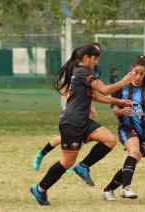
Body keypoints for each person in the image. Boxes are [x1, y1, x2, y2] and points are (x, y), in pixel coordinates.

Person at [30, 44, 134, 206]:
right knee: (67, 161)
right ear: (86, 58)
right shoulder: (82, 72)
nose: (95, 62)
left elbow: (97, 97)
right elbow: (105, 90)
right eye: (94, 59)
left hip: (83, 121)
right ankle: (40, 188)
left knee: (109, 140)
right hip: (71, 122)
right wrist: (124, 81)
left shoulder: (85, 72)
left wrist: (118, 101)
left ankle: (83, 166)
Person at [32, 42, 102, 173]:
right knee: (66, 137)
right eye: (95, 55)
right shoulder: (77, 67)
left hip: (81, 106)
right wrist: (66, 103)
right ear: (88, 55)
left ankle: (67, 161)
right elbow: (68, 87)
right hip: (71, 105)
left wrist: (91, 105)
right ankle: (42, 153)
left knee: (77, 136)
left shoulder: (93, 68)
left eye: (98, 56)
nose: (96, 58)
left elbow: (89, 91)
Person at [102, 55, 145, 201]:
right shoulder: (122, 87)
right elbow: (114, 109)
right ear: (131, 70)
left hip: (144, 132)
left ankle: (108, 190)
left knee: (131, 161)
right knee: (134, 151)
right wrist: (121, 111)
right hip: (126, 128)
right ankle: (126, 189)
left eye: (142, 73)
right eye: (136, 72)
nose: (138, 76)